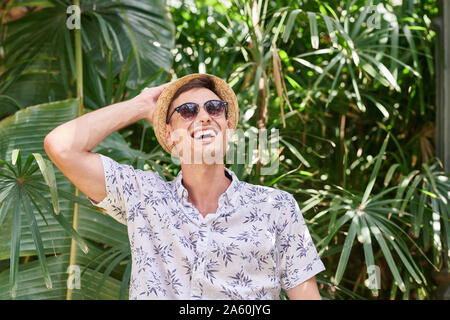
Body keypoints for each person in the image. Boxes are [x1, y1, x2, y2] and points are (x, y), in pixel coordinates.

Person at [44, 73, 326, 300]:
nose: (204, 116)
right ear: (170, 135)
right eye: (188, 111)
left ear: (227, 126)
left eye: (214, 108)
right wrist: (141, 106)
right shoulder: (143, 196)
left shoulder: (276, 206)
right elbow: (62, 146)